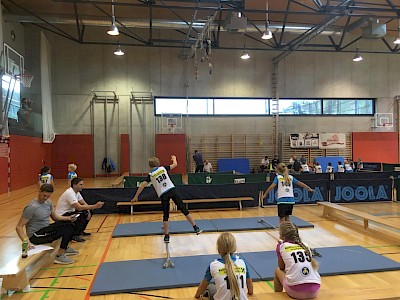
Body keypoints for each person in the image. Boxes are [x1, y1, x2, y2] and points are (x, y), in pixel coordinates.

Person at [131, 155, 202, 243]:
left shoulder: (150, 175)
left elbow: (142, 185)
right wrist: (174, 158)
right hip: (172, 190)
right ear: (158, 164)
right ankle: (195, 227)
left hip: (163, 194)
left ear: (149, 166)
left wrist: (135, 197)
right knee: (183, 208)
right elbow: (175, 164)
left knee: (166, 214)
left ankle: (166, 236)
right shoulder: (163, 168)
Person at [15, 184, 79, 264]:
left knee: (70, 224)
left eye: (48, 196)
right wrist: (26, 241)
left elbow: (55, 217)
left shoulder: (48, 202)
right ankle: (59, 256)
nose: (45, 198)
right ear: (39, 191)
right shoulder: (31, 207)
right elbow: (19, 227)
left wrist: (69, 218)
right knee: (67, 228)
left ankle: (64, 248)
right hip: (36, 236)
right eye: (44, 195)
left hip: (46, 231)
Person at [195, 232, 253, 300]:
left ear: (218, 250)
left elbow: (202, 287)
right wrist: (249, 293)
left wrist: (197, 296)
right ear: (234, 248)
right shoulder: (242, 262)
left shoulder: (213, 265)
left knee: (211, 287)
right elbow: (250, 286)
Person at [274, 222, 321, 299]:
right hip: (314, 291)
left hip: (296, 293)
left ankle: (277, 297)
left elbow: (281, 267)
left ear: (283, 237)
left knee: (277, 271)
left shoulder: (281, 246)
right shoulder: (305, 245)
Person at [56, 178, 104, 242]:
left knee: (88, 211)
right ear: (74, 185)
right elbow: (78, 207)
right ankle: (74, 235)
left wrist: (89, 210)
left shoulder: (77, 192)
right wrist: (95, 206)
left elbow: (83, 203)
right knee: (83, 213)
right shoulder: (70, 193)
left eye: (83, 184)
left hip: (70, 212)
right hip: (62, 214)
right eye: (80, 184)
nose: (83, 186)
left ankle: (80, 231)